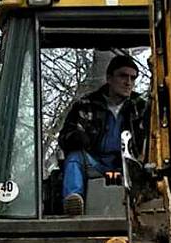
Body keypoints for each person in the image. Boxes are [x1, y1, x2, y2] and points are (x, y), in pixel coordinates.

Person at [58, 54, 146, 216]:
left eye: (133, 78)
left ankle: (143, 209)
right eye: (123, 76)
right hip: (96, 163)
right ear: (109, 78)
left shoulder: (141, 108)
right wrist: (75, 137)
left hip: (129, 165)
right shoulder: (86, 105)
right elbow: (65, 137)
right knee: (75, 157)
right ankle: (73, 199)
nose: (128, 83)